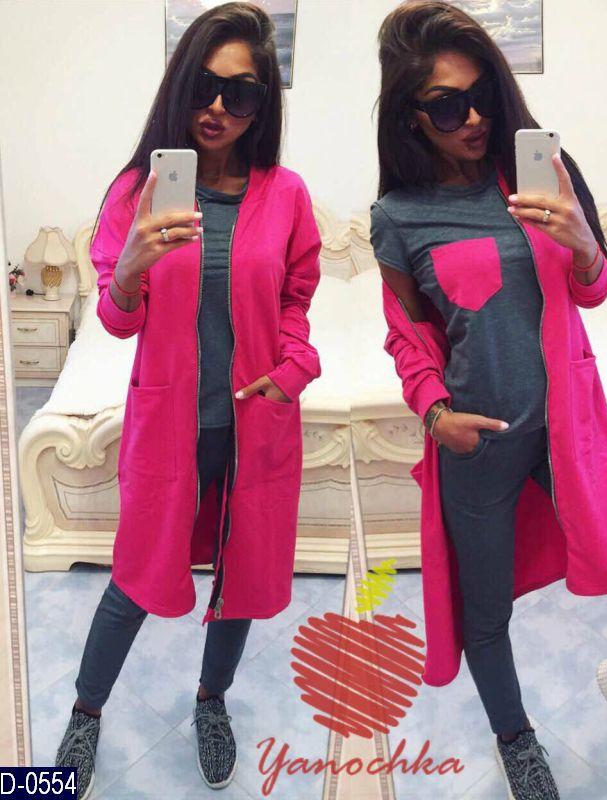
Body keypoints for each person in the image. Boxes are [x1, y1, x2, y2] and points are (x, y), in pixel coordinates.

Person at [369, 3, 607, 798]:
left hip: (570, 421)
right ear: (411, 117)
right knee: (485, 613)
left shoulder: (541, 175)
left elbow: (595, 289)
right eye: (446, 107)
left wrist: (581, 241)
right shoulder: (398, 217)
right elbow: (407, 335)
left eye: (482, 98)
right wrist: (436, 413)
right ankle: (515, 738)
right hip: (480, 440)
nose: (473, 118)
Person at [53, 4, 321, 797]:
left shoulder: (286, 195)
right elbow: (115, 318)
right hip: (168, 424)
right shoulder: (136, 192)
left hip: (255, 424)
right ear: (180, 86)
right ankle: (86, 710)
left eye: (241, 93)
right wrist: (133, 265)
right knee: (134, 577)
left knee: (241, 578)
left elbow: (296, 300)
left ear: (262, 106)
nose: (218, 107)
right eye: (204, 85)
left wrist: (295, 366)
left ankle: (211, 700)